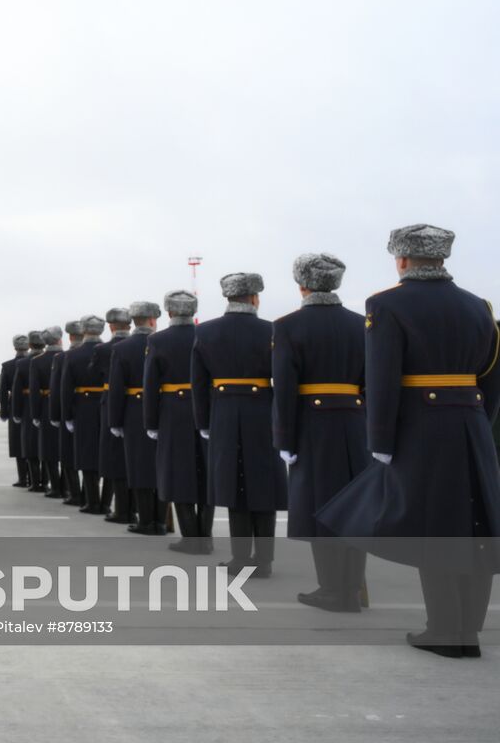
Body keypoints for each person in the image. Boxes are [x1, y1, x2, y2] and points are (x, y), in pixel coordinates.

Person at [319, 224, 500, 657]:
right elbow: (491, 380)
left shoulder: (386, 305)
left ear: (401, 260)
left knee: (433, 528)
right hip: (472, 425)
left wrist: (379, 439)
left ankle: (443, 631)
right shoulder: (480, 307)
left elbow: (382, 378)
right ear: (442, 258)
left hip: (420, 429)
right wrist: (479, 424)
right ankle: (467, 632)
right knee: (473, 528)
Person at [272, 253, 368, 612]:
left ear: (301, 284)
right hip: (356, 424)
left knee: (320, 508)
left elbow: (284, 388)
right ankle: (353, 589)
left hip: (312, 428)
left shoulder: (287, 326)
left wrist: (284, 438)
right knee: (354, 509)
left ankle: (332, 590)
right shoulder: (363, 324)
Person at [192, 272, 285, 577]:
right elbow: (283, 379)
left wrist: (202, 421)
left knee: (234, 485)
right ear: (255, 298)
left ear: (227, 297)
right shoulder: (272, 330)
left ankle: (240, 557)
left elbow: (199, 383)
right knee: (263, 484)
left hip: (224, 412)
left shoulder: (205, 332)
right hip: (262, 411)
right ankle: (265, 559)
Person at [144, 290, 213, 554]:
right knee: (206, 472)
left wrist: (150, 422)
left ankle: (190, 538)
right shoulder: (205, 334)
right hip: (206, 408)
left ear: (169, 312)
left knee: (178, 472)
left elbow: (151, 384)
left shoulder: (158, 340)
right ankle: (205, 537)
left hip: (172, 411)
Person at [110, 301, 164, 535]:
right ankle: (161, 521)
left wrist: (115, 421)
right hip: (163, 409)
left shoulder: (121, 348)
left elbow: (116, 389)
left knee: (139, 467)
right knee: (162, 467)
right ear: (152, 320)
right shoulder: (161, 342)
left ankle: (145, 520)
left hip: (133, 411)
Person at [61, 315, 107, 514]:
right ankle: (105, 502)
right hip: (107, 406)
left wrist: (67, 415)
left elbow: (65, 389)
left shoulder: (72, 355)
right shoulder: (111, 350)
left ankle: (91, 501)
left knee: (87, 456)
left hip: (84, 408)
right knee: (107, 456)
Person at [99, 308, 133, 523]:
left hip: (112, 405)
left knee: (116, 461)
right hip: (144, 408)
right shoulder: (150, 343)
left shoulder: (105, 350)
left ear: (111, 326)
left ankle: (121, 509)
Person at [50, 320, 85, 505]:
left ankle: (74, 494)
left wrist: (56, 415)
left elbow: (59, 391)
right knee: (91, 457)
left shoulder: (63, 358)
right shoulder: (99, 351)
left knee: (68, 456)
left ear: (70, 336)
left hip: (70, 411)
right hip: (94, 412)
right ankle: (89, 496)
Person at [29, 326, 65, 500]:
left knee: (49, 451)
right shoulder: (67, 357)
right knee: (66, 451)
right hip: (66, 407)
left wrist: (35, 414)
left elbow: (35, 391)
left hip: (45, 406)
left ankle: (56, 487)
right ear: (60, 339)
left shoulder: (37, 361)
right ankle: (67, 487)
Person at [12, 331, 46, 491]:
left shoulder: (23, 364)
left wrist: (15, 413)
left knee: (30, 445)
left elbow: (17, 391)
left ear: (30, 345)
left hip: (27, 407)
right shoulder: (53, 359)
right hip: (48, 405)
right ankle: (46, 481)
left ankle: (34, 482)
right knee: (48, 447)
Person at [0, 334, 31, 487]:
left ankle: (23, 478)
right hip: (35, 404)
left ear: (14, 347)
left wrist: (4, 412)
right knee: (34, 442)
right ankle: (35, 477)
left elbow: (3, 392)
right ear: (28, 346)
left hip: (15, 407)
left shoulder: (8, 366)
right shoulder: (33, 362)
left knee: (18, 442)